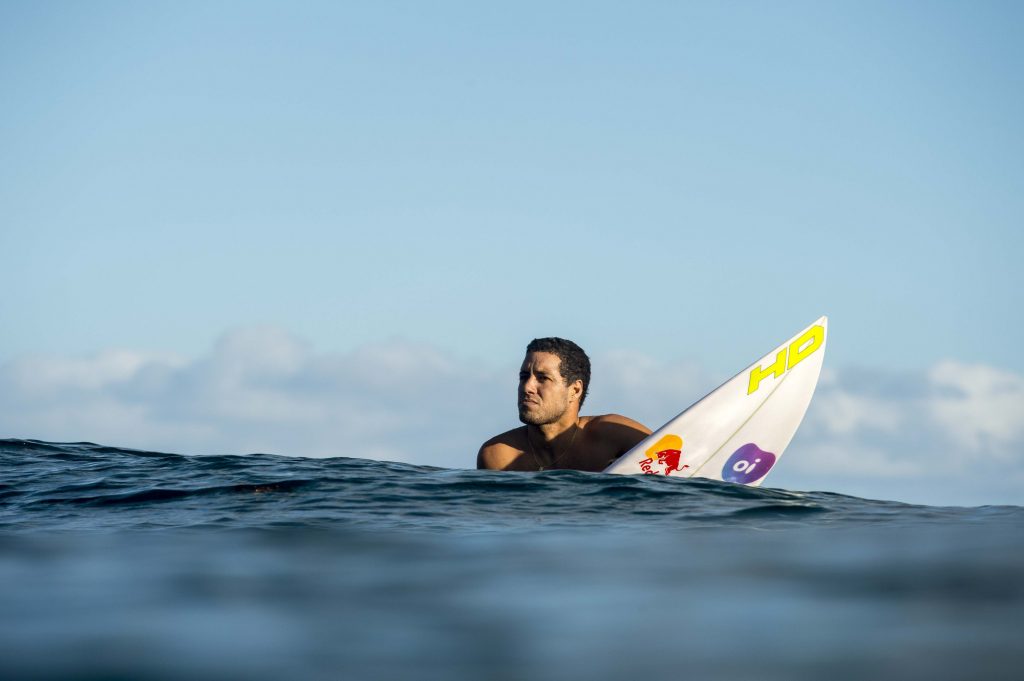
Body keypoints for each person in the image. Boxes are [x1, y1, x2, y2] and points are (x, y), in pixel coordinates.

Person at [477, 337, 652, 472]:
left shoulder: (615, 436)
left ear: (574, 390)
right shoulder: (498, 455)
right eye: (524, 377)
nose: (527, 387)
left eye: (543, 378)